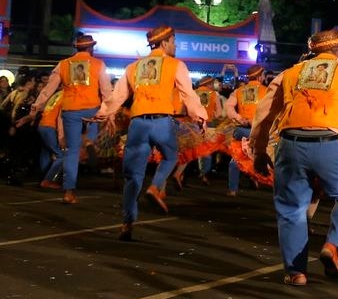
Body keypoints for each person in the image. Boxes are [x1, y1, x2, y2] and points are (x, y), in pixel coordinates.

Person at [249, 29, 338, 285]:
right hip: (331, 141)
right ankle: (332, 245)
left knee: (291, 209)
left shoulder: (290, 73)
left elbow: (264, 115)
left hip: (290, 143)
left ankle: (296, 273)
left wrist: (259, 149)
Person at [96, 25, 208, 240]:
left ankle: (127, 224)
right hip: (161, 122)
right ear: (165, 43)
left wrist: (101, 113)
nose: (175, 45)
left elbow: (117, 96)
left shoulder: (133, 67)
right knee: (171, 156)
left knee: (133, 177)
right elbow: (189, 95)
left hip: (137, 123)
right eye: (174, 41)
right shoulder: (175, 64)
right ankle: (156, 187)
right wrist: (200, 116)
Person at [28, 35, 113, 203]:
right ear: (91, 48)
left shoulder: (63, 64)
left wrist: (35, 107)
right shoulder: (99, 65)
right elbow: (106, 92)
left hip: (70, 110)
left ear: (77, 48)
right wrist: (109, 113)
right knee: (94, 124)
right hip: (91, 109)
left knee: (72, 153)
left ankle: (69, 192)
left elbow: (48, 89)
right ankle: (89, 140)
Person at [224, 65, 268, 196]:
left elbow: (228, 107)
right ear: (260, 76)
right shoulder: (266, 91)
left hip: (241, 130)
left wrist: (239, 118)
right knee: (262, 157)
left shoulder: (239, 91)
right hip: (258, 131)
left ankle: (232, 189)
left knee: (236, 159)